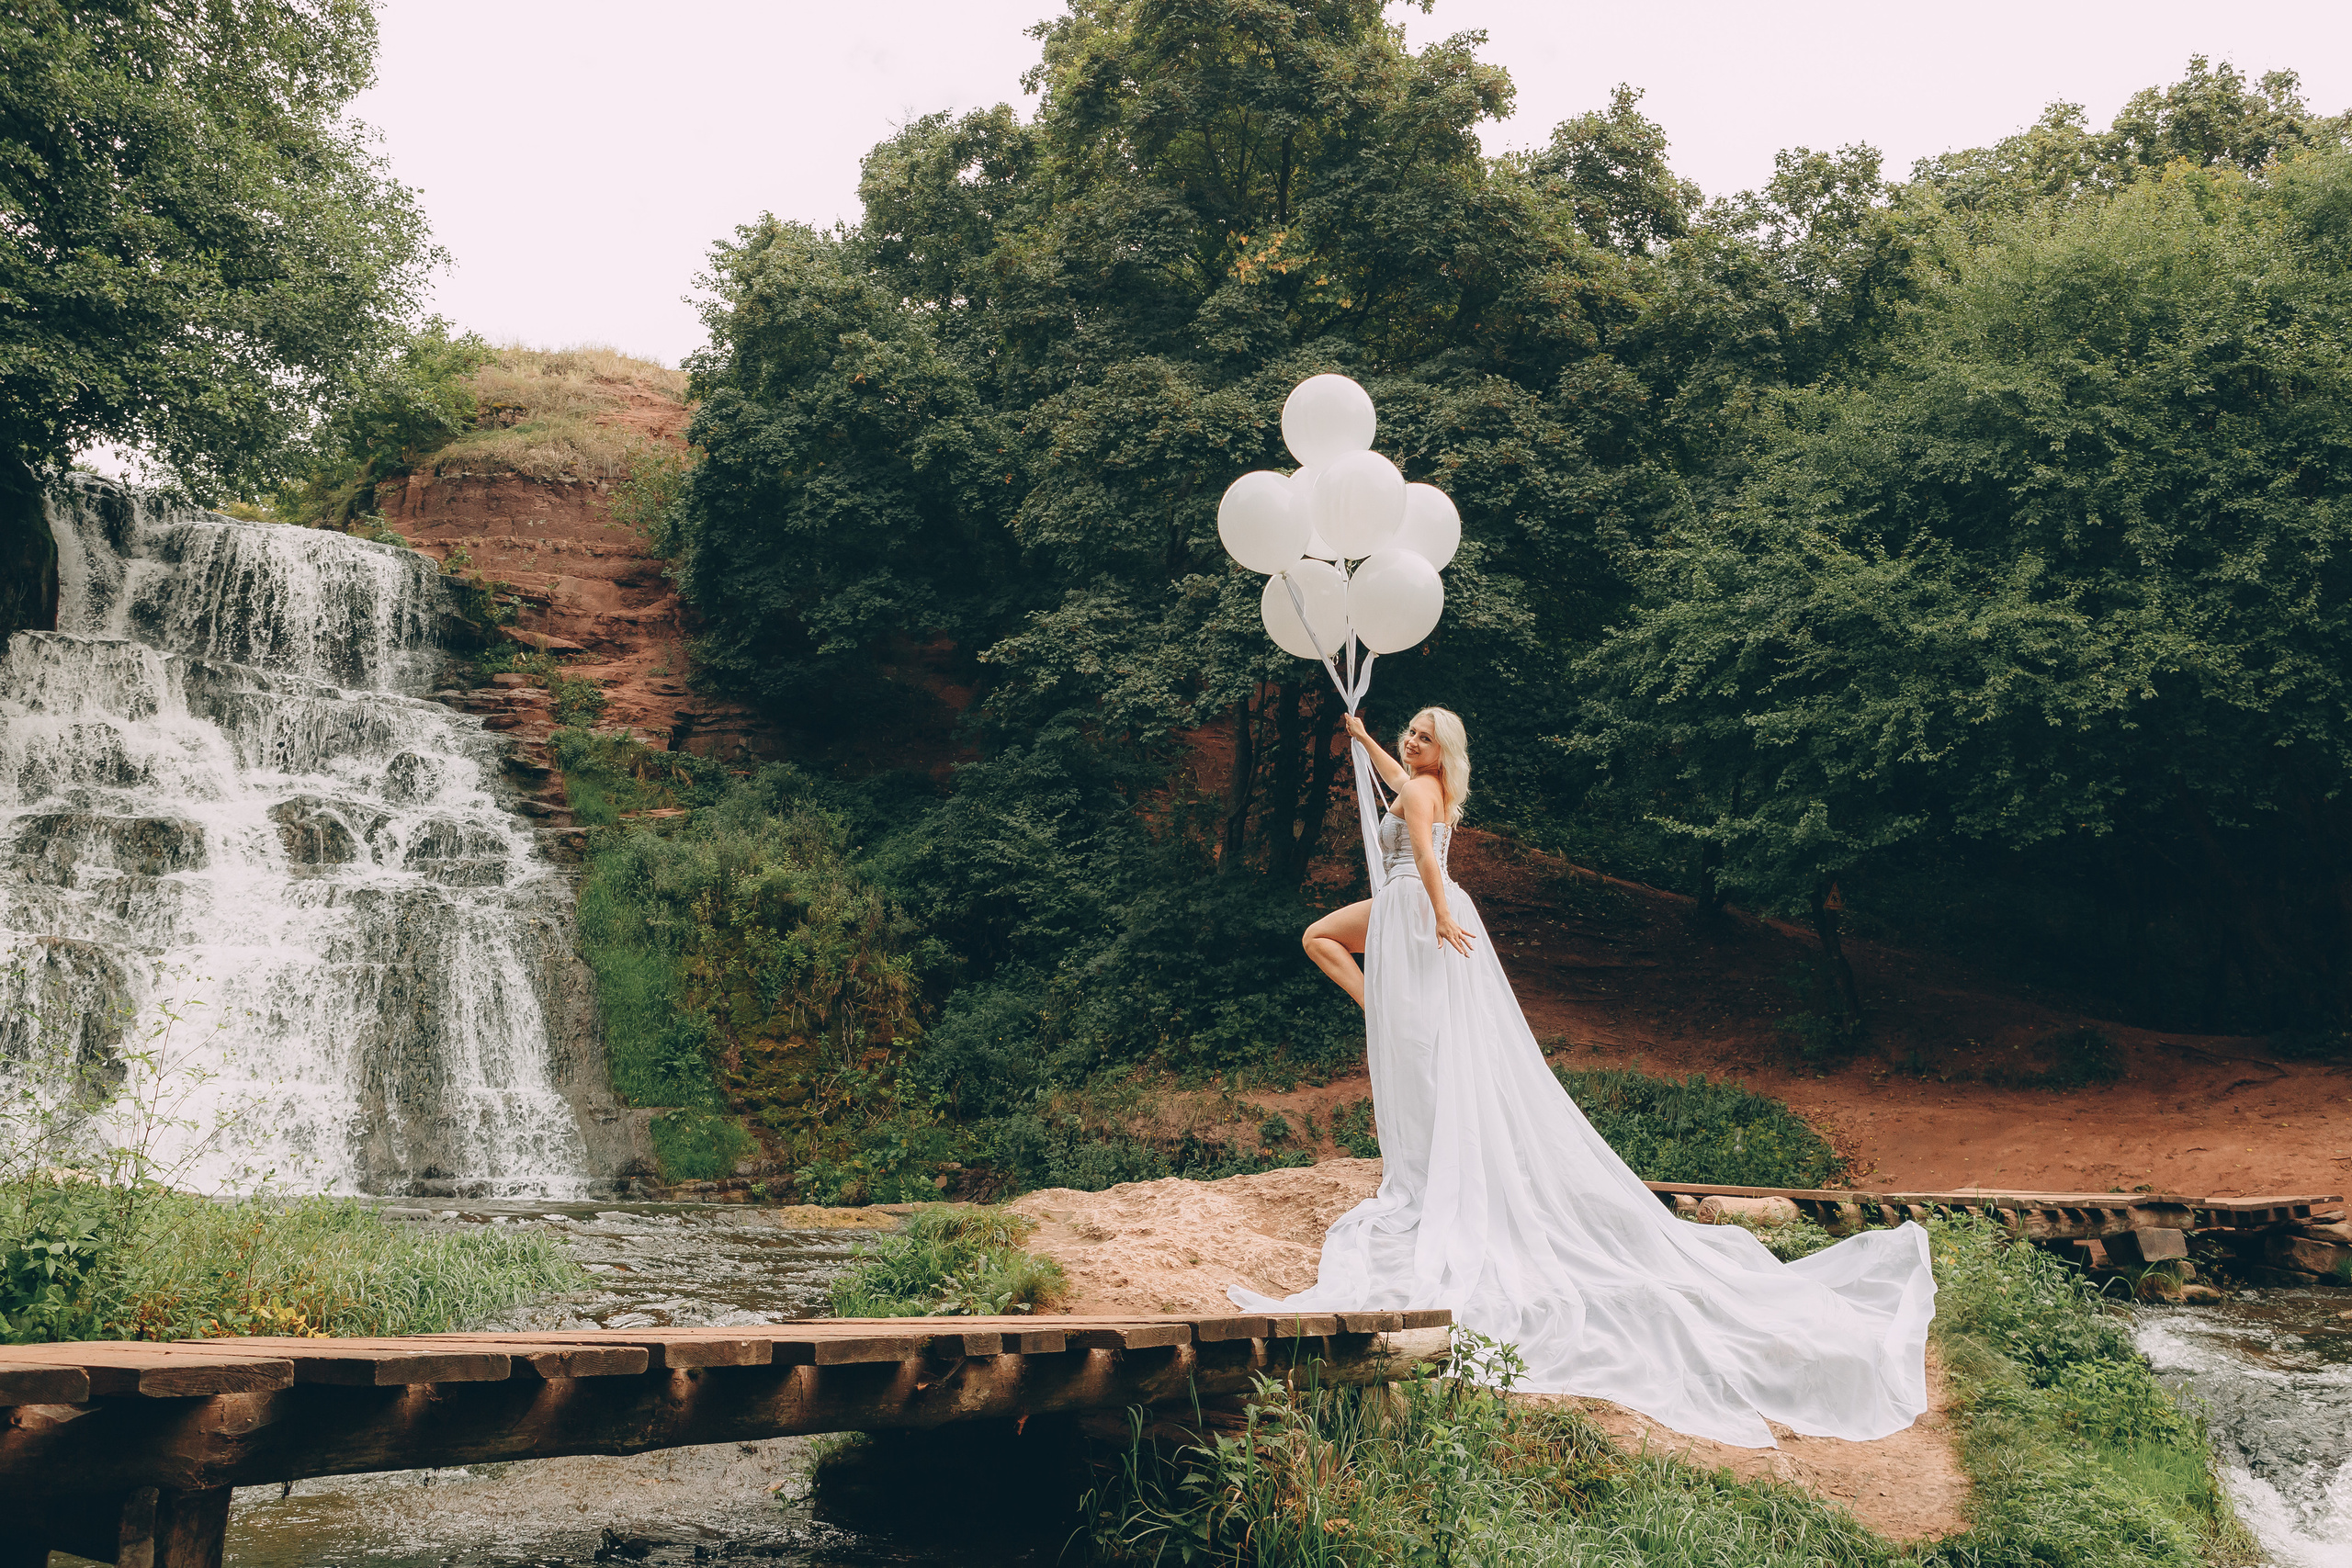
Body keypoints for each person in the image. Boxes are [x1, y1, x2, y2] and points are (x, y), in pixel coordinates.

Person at [1229, 706, 1935, 1449]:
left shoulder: (1426, 793)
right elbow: (1398, 782)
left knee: (1388, 1018)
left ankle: (1408, 1076)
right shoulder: (1419, 781)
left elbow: (1429, 857)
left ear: (1447, 751)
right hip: (1406, 907)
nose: (1412, 743)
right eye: (1410, 731)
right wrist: (1364, 737)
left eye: (1424, 736)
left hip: (1416, 907)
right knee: (1333, 953)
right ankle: (1385, 1011)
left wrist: (1438, 913)